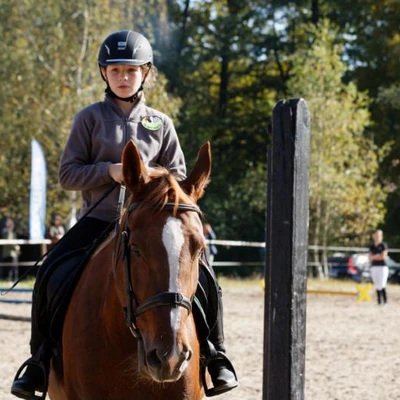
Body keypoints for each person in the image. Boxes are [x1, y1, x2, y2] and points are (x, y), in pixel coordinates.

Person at [11, 30, 238, 399]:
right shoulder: (89, 119)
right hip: (98, 221)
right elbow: (68, 174)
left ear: (145, 73)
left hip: (149, 222)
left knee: (207, 276)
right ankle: (38, 362)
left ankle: (215, 355)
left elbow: (179, 177)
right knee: (52, 273)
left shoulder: (160, 123)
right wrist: (110, 172)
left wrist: (155, 185)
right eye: (115, 70)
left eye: (131, 70)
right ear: (104, 73)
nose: (123, 77)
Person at [368, 229, 389, 305]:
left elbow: (383, 256)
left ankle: (385, 301)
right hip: (374, 266)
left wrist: (374, 257)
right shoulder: (372, 246)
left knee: (382, 284)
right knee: (377, 284)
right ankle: (379, 301)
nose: (377, 238)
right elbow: (369, 257)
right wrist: (377, 256)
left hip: (382, 267)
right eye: (376, 236)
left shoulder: (383, 245)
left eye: (378, 236)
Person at [1, 217, 20, 281]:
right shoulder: (6, 232)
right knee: (10, 268)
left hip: (14, 254)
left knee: (14, 268)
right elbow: (9, 242)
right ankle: (9, 280)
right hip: (9, 254)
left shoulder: (12, 232)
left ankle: (14, 280)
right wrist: (15, 247)